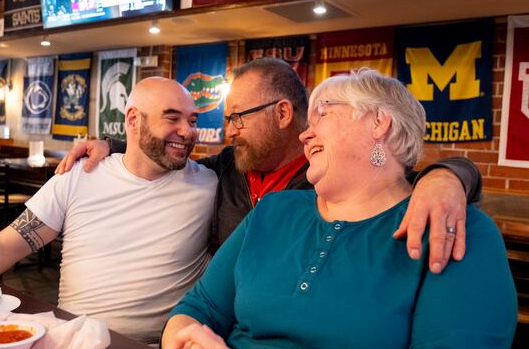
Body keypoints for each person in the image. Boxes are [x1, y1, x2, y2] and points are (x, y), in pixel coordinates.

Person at [160, 69, 517, 349]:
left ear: (379, 121)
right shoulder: (274, 209)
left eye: (323, 114)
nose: (305, 133)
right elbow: (200, 307)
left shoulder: (451, 226)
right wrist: (181, 345)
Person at [57, 58, 481, 274]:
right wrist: (113, 143)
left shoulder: (332, 180)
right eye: (225, 119)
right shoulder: (226, 168)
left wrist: (448, 177)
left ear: (281, 114)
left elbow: (393, 178)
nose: (229, 131)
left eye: (238, 117)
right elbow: (168, 152)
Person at [0, 77, 218, 344]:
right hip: (74, 340)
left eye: (192, 120)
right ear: (133, 119)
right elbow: (6, 246)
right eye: (172, 118)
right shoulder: (80, 174)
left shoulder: (209, 184)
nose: (187, 131)